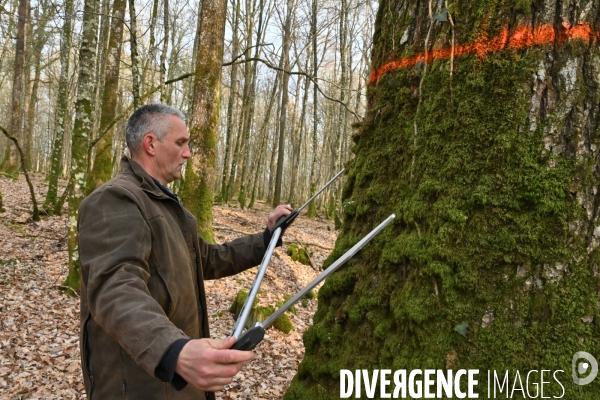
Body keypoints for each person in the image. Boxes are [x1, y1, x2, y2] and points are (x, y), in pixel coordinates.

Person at [78, 104, 292, 399]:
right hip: (141, 387)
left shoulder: (167, 207)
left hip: (179, 385)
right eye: (181, 143)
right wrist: (172, 350)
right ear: (151, 144)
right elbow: (114, 287)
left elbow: (208, 259)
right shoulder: (115, 200)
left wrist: (267, 239)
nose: (188, 152)